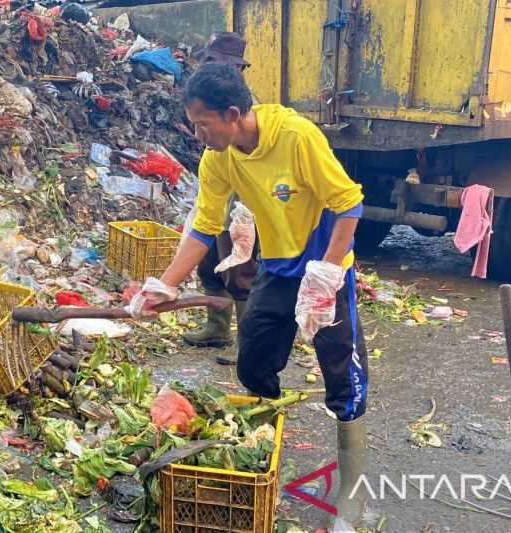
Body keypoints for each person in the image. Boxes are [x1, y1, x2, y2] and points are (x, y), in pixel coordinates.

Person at [128, 64, 369, 529]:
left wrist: (326, 275)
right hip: (278, 267)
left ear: (233, 113)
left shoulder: (296, 137)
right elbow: (203, 225)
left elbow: (348, 203)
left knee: (342, 370)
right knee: (253, 360)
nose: (198, 134)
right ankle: (264, 453)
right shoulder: (219, 156)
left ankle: (354, 498)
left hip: (324, 267)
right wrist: (166, 284)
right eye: (193, 123)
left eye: (203, 123)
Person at [183, 32, 259, 365]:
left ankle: (249, 346)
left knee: (240, 271)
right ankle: (217, 328)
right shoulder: (208, 104)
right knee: (209, 263)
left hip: (241, 205)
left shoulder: (238, 110)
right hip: (218, 198)